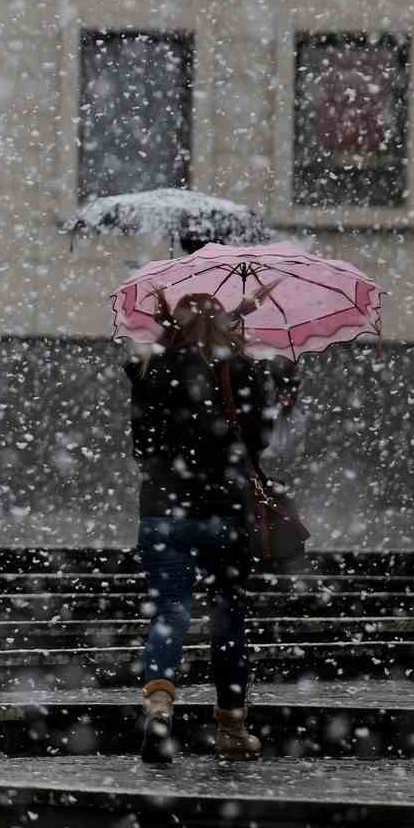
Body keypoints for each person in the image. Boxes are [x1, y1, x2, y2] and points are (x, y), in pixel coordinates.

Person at [125, 287, 285, 765]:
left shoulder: (149, 371)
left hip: (162, 511)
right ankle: (231, 727)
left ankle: (158, 707)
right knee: (227, 615)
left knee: (170, 611)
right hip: (224, 512)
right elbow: (259, 441)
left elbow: (141, 447)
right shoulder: (243, 370)